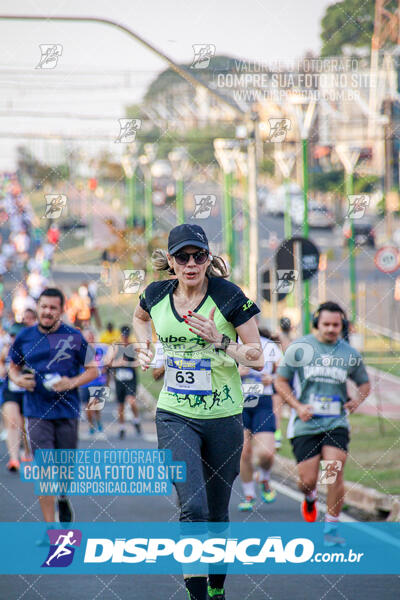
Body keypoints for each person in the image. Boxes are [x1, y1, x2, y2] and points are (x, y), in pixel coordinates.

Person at [133, 223, 263, 600]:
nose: (191, 264)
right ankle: (197, 595)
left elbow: (257, 358)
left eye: (198, 256)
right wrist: (145, 348)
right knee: (193, 507)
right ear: (170, 261)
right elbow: (140, 319)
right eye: (182, 257)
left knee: (219, 513)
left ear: (209, 259)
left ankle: (217, 587)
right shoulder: (156, 294)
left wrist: (220, 340)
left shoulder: (228, 296)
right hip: (174, 413)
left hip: (223, 415)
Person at [275, 301, 371, 546]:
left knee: (333, 473)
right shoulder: (300, 348)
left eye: (336, 325)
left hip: (335, 422)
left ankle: (330, 529)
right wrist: (298, 406)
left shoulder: (349, 353)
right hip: (305, 423)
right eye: (326, 324)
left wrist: (356, 401)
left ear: (342, 326)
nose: (330, 329)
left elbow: (364, 384)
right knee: (307, 481)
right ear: (317, 323)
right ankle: (309, 497)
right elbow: (281, 381)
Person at [8, 288, 98, 524]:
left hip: (67, 411)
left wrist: (72, 382)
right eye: (44, 307)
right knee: (44, 471)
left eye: (53, 308)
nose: (47, 312)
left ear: (61, 310)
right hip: (36, 411)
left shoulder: (75, 337)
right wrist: (17, 380)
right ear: (37, 307)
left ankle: (63, 496)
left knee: (66, 470)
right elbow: (12, 367)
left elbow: (93, 370)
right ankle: (51, 528)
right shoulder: (25, 336)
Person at [237, 326, 282, 511]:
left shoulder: (269, 345)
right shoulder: (231, 344)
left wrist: (271, 378)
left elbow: (284, 374)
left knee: (266, 453)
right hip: (239, 402)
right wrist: (237, 373)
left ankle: (264, 477)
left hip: (263, 401)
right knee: (244, 451)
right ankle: (249, 495)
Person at [111, 325, 141, 439]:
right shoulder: (116, 347)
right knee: (120, 405)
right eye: (123, 336)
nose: (125, 338)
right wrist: (118, 363)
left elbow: (139, 362)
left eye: (127, 336)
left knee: (131, 400)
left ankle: (136, 419)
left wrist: (128, 364)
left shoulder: (133, 347)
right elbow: (109, 362)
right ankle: (122, 427)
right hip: (119, 379)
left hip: (131, 379)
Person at [78, 328, 107, 437]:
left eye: (91, 336)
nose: (89, 338)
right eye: (87, 336)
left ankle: (98, 422)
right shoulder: (80, 350)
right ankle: (91, 426)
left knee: (95, 407)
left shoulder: (100, 349)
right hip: (85, 382)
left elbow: (106, 361)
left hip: (98, 382)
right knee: (88, 408)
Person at [273, 317, 294, 449]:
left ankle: (280, 435)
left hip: (284, 375)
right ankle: (279, 435)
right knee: (280, 408)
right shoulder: (288, 339)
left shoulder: (280, 338)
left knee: (278, 408)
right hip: (284, 376)